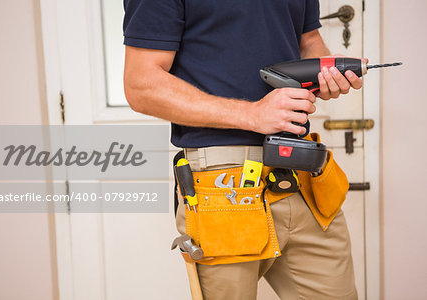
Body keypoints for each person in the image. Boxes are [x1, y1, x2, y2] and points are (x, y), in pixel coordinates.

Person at [123, 1, 362, 299]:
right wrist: (252, 115)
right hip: (223, 184)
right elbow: (141, 85)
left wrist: (327, 70)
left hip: (301, 171)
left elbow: (307, 40)